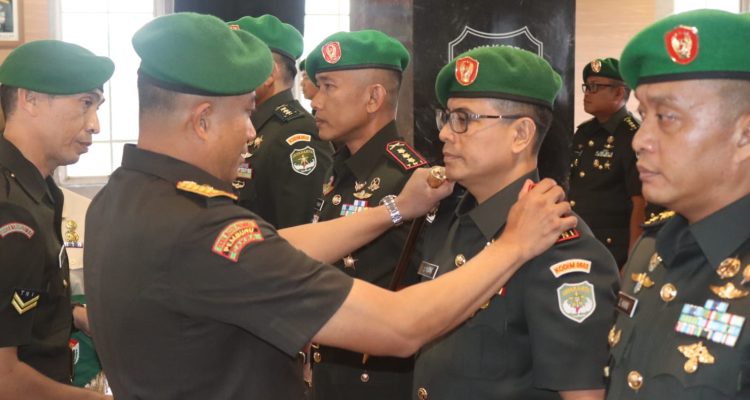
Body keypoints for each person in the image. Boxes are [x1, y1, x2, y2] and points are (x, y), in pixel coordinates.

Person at [83, 13, 576, 400]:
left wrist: (394, 210)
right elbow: (398, 326)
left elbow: (275, 248)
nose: (252, 133)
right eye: (246, 114)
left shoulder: (117, 200)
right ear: (202, 120)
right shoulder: (202, 230)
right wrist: (512, 246)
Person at [412, 46, 620, 400]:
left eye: (464, 119)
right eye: (446, 117)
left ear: (521, 134)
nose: (445, 133)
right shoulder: (449, 221)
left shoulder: (560, 247)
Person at [605, 9, 750, 399]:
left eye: (667, 117)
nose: (640, 140)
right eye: (643, 115)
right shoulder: (652, 249)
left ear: (745, 135)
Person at [304, 30, 426, 400]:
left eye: (328, 87)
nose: (315, 101)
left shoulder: (409, 180)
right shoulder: (339, 167)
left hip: (378, 382)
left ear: (374, 97)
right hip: (328, 374)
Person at [0, 40, 114, 399]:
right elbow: (4, 377)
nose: (95, 124)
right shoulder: (11, 210)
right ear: (30, 100)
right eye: (85, 103)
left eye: (97, 106)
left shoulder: (40, 189)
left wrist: (75, 315)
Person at [227, 15, 333, 229]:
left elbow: (302, 234)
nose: (227, 73)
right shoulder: (251, 125)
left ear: (269, 73)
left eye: (238, 62)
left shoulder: (297, 135)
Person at [569, 57, 644, 268]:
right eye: (586, 86)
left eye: (595, 87)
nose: (587, 93)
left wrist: (633, 260)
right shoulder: (584, 133)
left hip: (614, 252)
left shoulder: (633, 135)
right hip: (579, 242)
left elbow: (640, 202)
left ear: (619, 93)